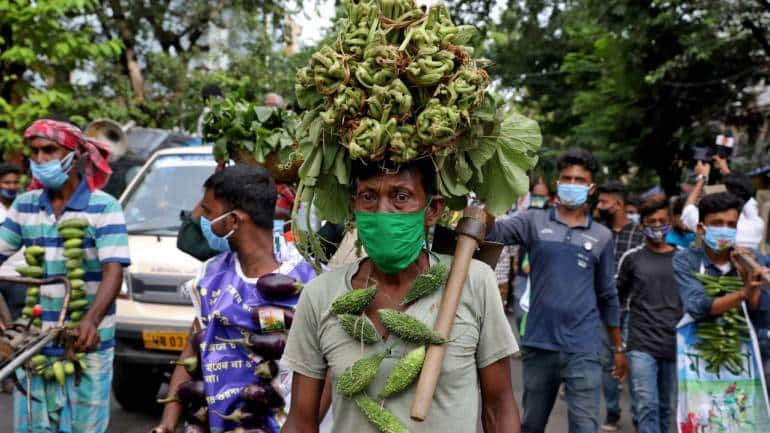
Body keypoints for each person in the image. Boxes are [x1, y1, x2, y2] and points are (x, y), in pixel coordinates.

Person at [281, 158, 520, 433]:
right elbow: (300, 422)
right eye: (368, 197)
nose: (382, 212)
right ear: (353, 206)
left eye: (401, 197)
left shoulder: (474, 281)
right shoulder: (320, 295)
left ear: (433, 210)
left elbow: (499, 408)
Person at [151, 165, 317, 433]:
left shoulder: (306, 280)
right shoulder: (212, 276)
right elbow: (195, 346)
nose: (202, 220)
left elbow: (326, 375)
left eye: (207, 212)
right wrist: (168, 421)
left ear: (233, 221)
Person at [0, 119, 129, 433]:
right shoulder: (24, 206)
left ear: (74, 155)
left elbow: (114, 269)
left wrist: (91, 320)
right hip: (33, 348)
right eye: (35, 152)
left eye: (49, 150)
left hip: (88, 348)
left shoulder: (104, 207)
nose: (40, 160)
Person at [488, 148, 626, 433]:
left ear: (591, 188)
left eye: (579, 180)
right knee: (532, 424)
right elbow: (493, 234)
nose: (572, 184)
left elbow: (607, 294)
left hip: (584, 348)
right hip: (539, 343)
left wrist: (618, 348)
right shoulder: (533, 222)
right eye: (566, 178)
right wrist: (488, 193)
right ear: (557, 182)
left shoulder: (601, 236)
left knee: (585, 427)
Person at [673, 192, 770, 389]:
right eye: (717, 224)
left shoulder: (754, 260)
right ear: (701, 228)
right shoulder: (686, 260)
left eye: (731, 225)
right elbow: (698, 306)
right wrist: (743, 293)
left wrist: (746, 276)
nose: (725, 230)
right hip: (699, 357)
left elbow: (762, 317)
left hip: (744, 358)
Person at [617, 199, 682, 433]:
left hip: (675, 345)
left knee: (667, 406)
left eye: (662, 221)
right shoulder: (632, 258)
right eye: (651, 222)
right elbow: (617, 300)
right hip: (641, 343)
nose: (657, 226)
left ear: (671, 222)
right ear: (642, 225)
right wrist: (619, 346)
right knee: (646, 404)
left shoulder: (684, 259)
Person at [595, 180, 644, 432]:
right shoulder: (598, 232)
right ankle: (613, 411)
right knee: (608, 362)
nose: (600, 206)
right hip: (603, 310)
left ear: (619, 204)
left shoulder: (640, 234)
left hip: (632, 309)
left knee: (633, 363)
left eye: (604, 202)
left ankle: (638, 416)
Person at [681, 160, 765, 249]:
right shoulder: (757, 224)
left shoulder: (714, 225)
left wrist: (702, 178)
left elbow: (687, 209)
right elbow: (745, 195)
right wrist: (728, 174)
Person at [0, 162, 26, 320]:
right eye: (6, 182)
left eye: (15, 182)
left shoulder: (25, 206)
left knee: (17, 322)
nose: (11, 186)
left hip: (20, 276)